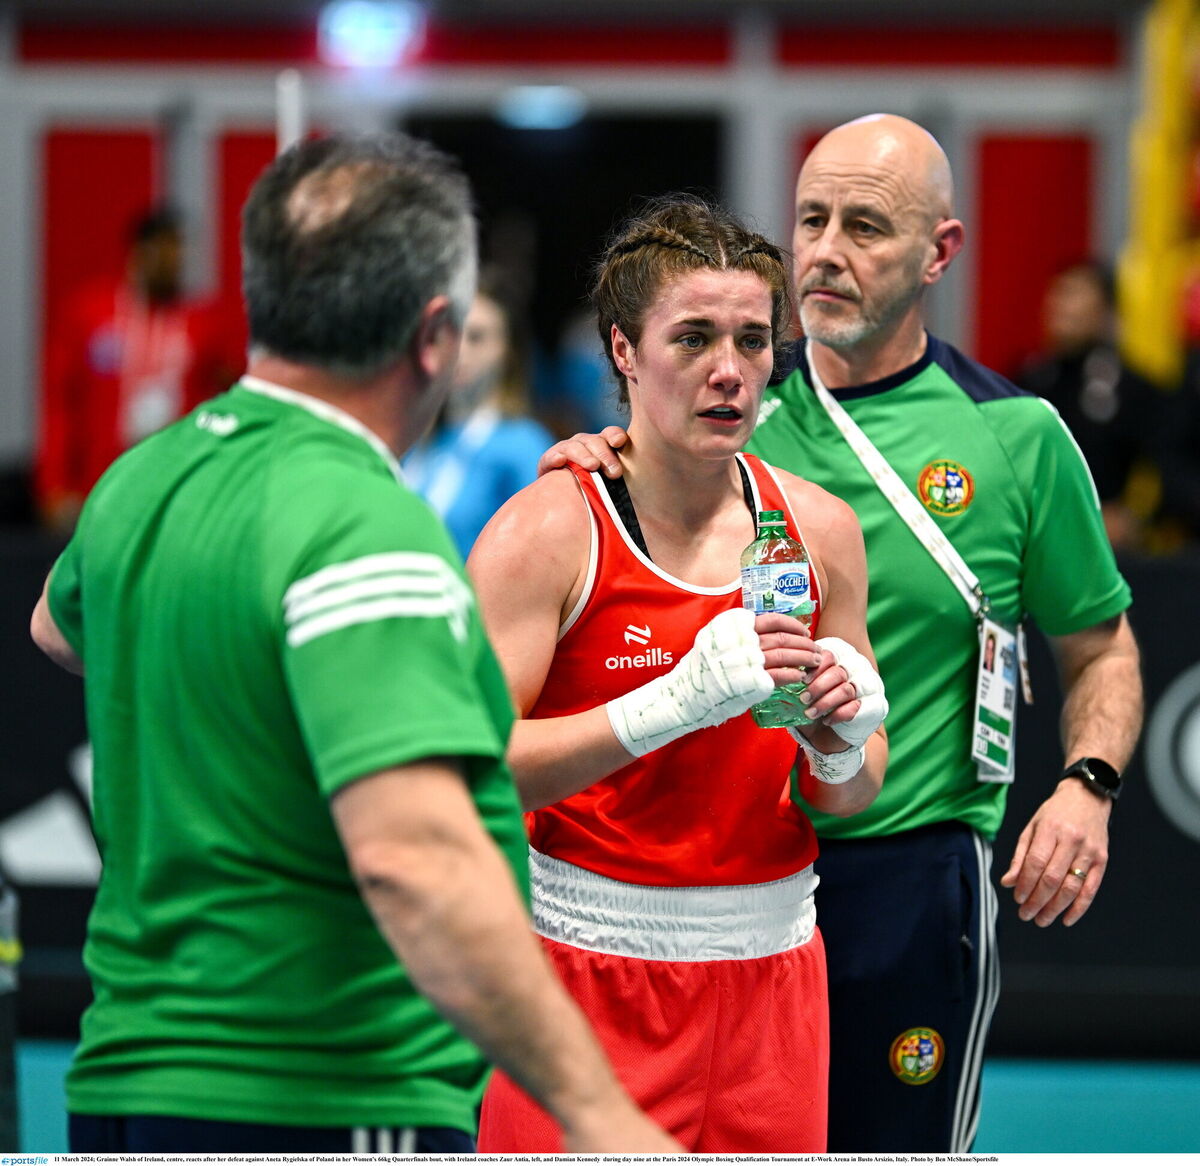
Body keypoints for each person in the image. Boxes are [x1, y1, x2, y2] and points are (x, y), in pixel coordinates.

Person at [28, 133, 680, 1156]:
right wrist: (600, 1116)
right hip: (320, 1093)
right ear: (433, 336)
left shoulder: (140, 480)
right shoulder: (363, 525)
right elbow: (417, 859)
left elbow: (55, 629)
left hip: (123, 1080)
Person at [540, 114, 1143, 1153]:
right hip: (731, 883)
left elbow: (1102, 647)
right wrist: (603, 456)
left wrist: (1087, 784)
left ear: (938, 253)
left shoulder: (1016, 436)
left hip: (907, 881)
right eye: (811, 219)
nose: (824, 251)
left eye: (865, 225)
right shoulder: (731, 406)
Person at [469, 195, 888, 1153]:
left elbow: (855, 796)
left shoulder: (820, 531)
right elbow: (468, 766)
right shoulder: (549, 531)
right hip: (584, 979)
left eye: (752, 338)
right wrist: (670, 704)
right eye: (692, 338)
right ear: (622, 350)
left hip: (774, 985)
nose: (729, 371)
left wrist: (837, 741)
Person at [35, 207, 238, 533]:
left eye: (177, 250)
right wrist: (54, 485)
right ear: (138, 251)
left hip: (180, 486)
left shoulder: (203, 323)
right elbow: (61, 404)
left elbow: (229, 399)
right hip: (102, 481)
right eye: (161, 249)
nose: (169, 261)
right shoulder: (91, 316)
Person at [403, 272, 555, 558]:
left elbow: (545, 554)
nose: (459, 350)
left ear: (507, 350)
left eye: (476, 337)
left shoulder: (523, 444)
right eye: (449, 334)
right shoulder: (417, 438)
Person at [1015, 260, 1162, 549]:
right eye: (1058, 293)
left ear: (1105, 310)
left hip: (1108, 550)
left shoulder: (1134, 390)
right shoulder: (1026, 381)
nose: (1062, 305)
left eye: (1076, 294)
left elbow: (1164, 468)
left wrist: (1134, 517)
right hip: (1037, 539)